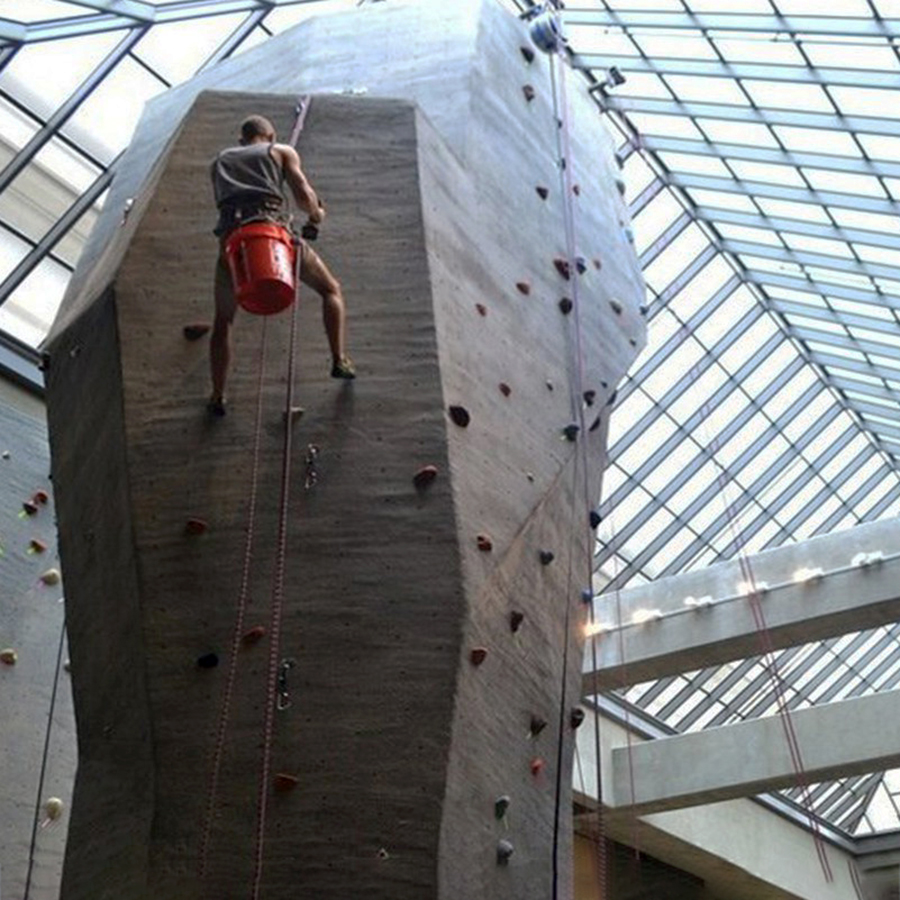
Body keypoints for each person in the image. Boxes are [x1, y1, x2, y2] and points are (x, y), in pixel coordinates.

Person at [209, 114, 355, 415]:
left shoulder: (220, 161)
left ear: (242, 139)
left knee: (223, 322)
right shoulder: (281, 151)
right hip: (272, 237)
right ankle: (339, 359)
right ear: (271, 135)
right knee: (331, 289)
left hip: (232, 247)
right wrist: (316, 215)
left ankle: (217, 395)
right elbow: (303, 197)